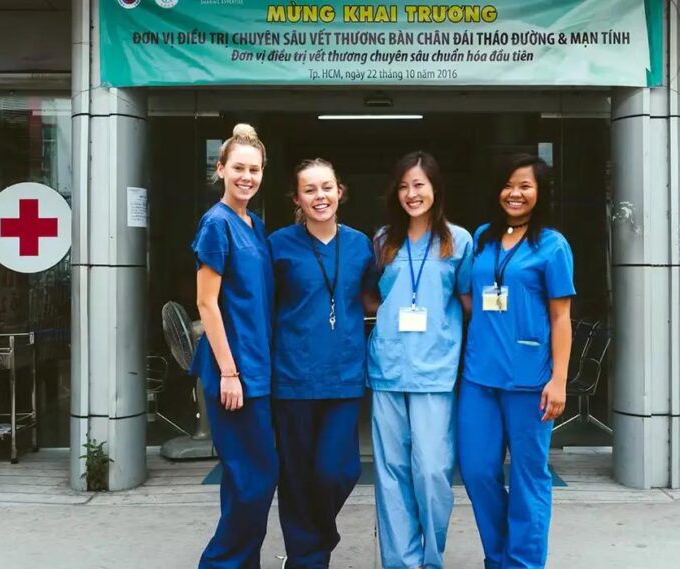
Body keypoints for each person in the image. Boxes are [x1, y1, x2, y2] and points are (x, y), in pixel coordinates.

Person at [457, 154, 575, 569]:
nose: (515, 193)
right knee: (475, 469)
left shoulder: (552, 245)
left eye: (525, 185)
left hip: (530, 381)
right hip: (479, 377)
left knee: (529, 478)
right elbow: (469, 296)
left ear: (539, 192)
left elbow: (561, 317)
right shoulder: (484, 237)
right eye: (508, 184)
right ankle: (499, 554)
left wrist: (559, 380)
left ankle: (522, 562)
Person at [268, 159, 377, 569]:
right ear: (297, 198)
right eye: (310, 190)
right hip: (292, 377)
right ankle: (305, 558)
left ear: (340, 192)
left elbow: (371, 297)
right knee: (296, 476)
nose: (320, 197)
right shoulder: (278, 245)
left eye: (327, 188)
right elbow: (263, 306)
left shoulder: (360, 244)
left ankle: (320, 534)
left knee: (338, 469)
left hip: (345, 376)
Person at [367, 151, 472, 569]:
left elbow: (467, 301)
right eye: (404, 185)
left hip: (435, 369)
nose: (412, 193)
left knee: (431, 471)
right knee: (391, 474)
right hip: (388, 367)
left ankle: (432, 559)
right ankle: (400, 562)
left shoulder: (458, 241)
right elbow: (370, 294)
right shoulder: (382, 240)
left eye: (420, 184)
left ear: (435, 188)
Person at [189, 123, 278, 569]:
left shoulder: (253, 224)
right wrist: (228, 371)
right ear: (220, 169)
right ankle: (219, 564)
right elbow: (207, 303)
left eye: (254, 169)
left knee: (245, 480)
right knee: (255, 480)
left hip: (256, 369)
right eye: (238, 167)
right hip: (234, 374)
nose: (246, 176)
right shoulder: (216, 223)